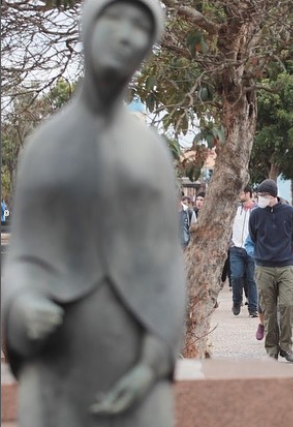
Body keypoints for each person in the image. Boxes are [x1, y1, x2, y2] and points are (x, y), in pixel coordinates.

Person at [0, 1, 186, 425]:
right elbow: (25, 254)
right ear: (88, 25)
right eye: (114, 18)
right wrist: (22, 304)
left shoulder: (151, 154)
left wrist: (153, 363)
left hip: (135, 363)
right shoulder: (45, 146)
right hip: (57, 363)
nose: (125, 35)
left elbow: (166, 261)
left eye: (140, 26)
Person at [248, 179, 293, 363]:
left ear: (274, 195)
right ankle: (272, 350)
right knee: (269, 310)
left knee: (287, 306)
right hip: (264, 266)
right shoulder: (255, 215)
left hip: (286, 265)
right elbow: (254, 237)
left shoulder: (290, 212)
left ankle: (286, 346)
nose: (261, 199)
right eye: (259, 195)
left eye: (265, 195)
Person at [230, 185, 258, 317]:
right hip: (236, 248)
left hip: (252, 249)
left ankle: (253, 308)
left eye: (241, 192)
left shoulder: (258, 211)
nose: (239, 195)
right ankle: (237, 301)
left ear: (248, 194)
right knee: (236, 276)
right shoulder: (234, 210)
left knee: (252, 279)